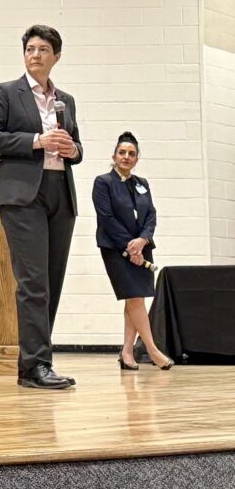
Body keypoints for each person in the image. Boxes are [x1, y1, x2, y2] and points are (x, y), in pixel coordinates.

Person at [0, 25, 82, 390]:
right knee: (33, 283)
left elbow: (78, 148)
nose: (36, 54)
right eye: (30, 49)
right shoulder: (6, 92)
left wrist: (73, 150)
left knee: (51, 283)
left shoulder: (65, 100)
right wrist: (38, 140)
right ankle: (37, 365)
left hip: (60, 192)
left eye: (43, 49)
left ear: (56, 56)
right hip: (23, 194)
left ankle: (34, 365)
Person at [92, 132, 173, 371]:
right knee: (135, 297)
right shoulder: (103, 182)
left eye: (131, 154)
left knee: (134, 298)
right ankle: (152, 349)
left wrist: (143, 240)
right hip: (116, 248)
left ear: (137, 158)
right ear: (114, 155)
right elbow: (106, 218)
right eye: (122, 152)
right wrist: (130, 246)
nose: (126, 157)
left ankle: (127, 352)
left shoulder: (141, 183)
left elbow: (151, 215)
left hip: (141, 247)